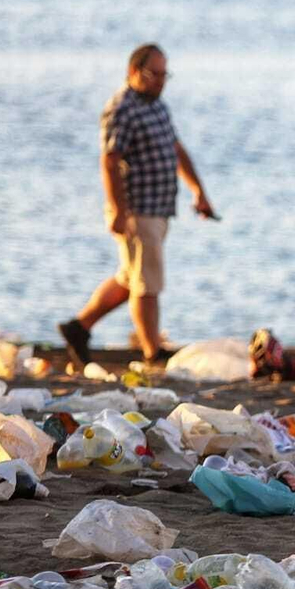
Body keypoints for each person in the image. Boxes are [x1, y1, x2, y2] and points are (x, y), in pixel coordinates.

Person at [59, 43, 216, 369]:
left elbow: (175, 148)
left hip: (159, 207)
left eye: (164, 74)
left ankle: (79, 327)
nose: (160, 81)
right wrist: (118, 210)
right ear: (134, 72)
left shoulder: (157, 106)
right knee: (147, 286)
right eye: (154, 74)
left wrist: (197, 190)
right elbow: (110, 160)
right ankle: (151, 352)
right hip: (137, 209)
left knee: (131, 278)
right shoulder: (122, 108)